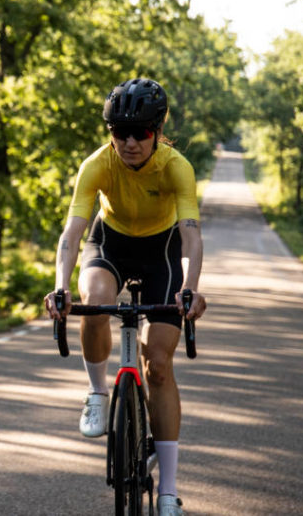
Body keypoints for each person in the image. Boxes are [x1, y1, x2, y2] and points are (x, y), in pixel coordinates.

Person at [44, 78, 206, 516]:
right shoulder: (97, 164)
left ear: (158, 129)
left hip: (163, 253)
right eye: (119, 132)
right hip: (110, 244)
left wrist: (190, 286)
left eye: (141, 133)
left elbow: (191, 235)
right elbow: (72, 233)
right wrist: (60, 283)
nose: (130, 142)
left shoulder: (176, 167)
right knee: (94, 301)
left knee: (159, 365)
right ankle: (98, 392)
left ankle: (169, 490)